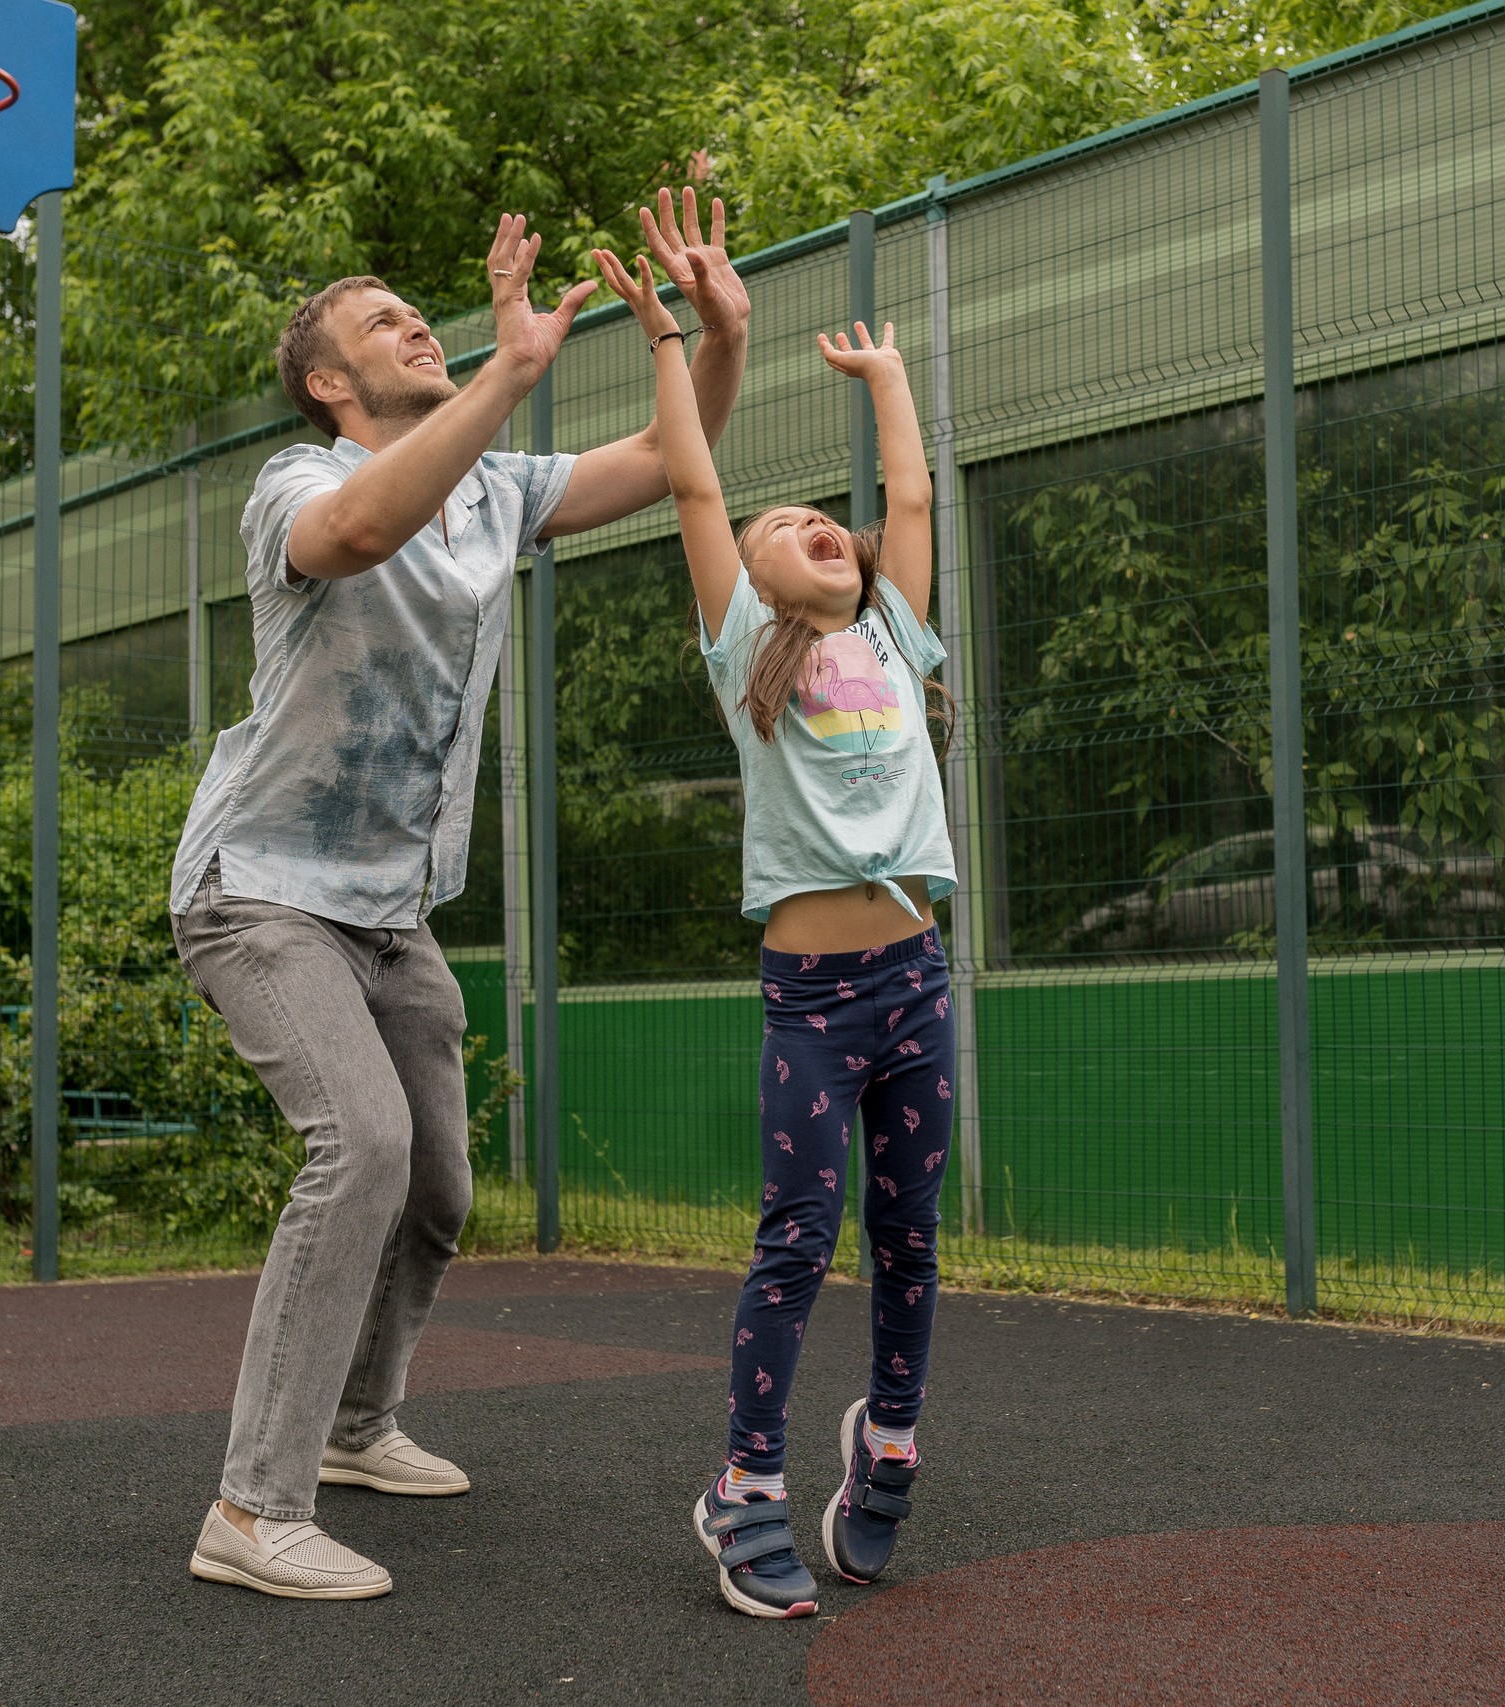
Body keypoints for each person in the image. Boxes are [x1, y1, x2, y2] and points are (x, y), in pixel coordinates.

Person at [172, 193, 752, 1602]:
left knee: (436, 1183)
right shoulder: (295, 485)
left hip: (392, 912)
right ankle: (253, 1509)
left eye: (418, 312)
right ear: (326, 381)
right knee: (358, 1150)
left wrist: (722, 338)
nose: (415, 323)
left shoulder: (495, 485)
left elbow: (676, 458)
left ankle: (363, 1429)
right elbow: (365, 532)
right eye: (383, 320)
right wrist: (508, 371)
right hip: (261, 894)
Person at [590, 242, 954, 1620]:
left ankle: (893, 1433)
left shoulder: (898, 638)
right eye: (787, 521)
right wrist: (671, 344)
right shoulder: (751, 653)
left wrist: (889, 378)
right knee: (800, 1236)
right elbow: (694, 482)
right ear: (747, 579)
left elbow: (906, 493)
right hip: (813, 999)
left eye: (829, 521)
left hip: (916, 981)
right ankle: (745, 1483)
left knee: (910, 1236)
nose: (823, 523)